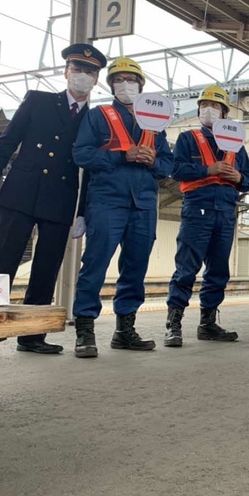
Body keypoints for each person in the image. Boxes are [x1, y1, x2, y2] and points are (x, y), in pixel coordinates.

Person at [0, 44, 107, 359]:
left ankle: (32, 335)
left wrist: (82, 211)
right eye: (77, 69)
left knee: (46, 268)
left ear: (96, 79)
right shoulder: (38, 100)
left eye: (89, 72)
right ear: (66, 72)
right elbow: (9, 139)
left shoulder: (95, 119)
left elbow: (90, 170)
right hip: (21, 191)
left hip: (60, 199)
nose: (83, 76)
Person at [71, 57, 174, 358]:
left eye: (131, 80)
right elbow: (81, 154)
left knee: (136, 267)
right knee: (95, 263)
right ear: (111, 85)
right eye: (119, 79)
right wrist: (121, 156)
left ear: (141, 85)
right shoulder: (98, 115)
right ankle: (85, 330)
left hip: (143, 204)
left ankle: (125, 330)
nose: (125, 84)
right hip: (107, 200)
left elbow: (168, 164)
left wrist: (154, 162)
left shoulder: (155, 122)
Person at [164, 85, 249, 347]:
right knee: (186, 268)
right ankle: (173, 324)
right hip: (197, 208)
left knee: (218, 270)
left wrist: (238, 177)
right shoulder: (188, 138)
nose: (209, 110)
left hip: (226, 212)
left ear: (225, 113)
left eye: (215, 106)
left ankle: (208, 324)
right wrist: (208, 169)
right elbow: (176, 169)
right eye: (205, 105)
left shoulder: (237, 145)